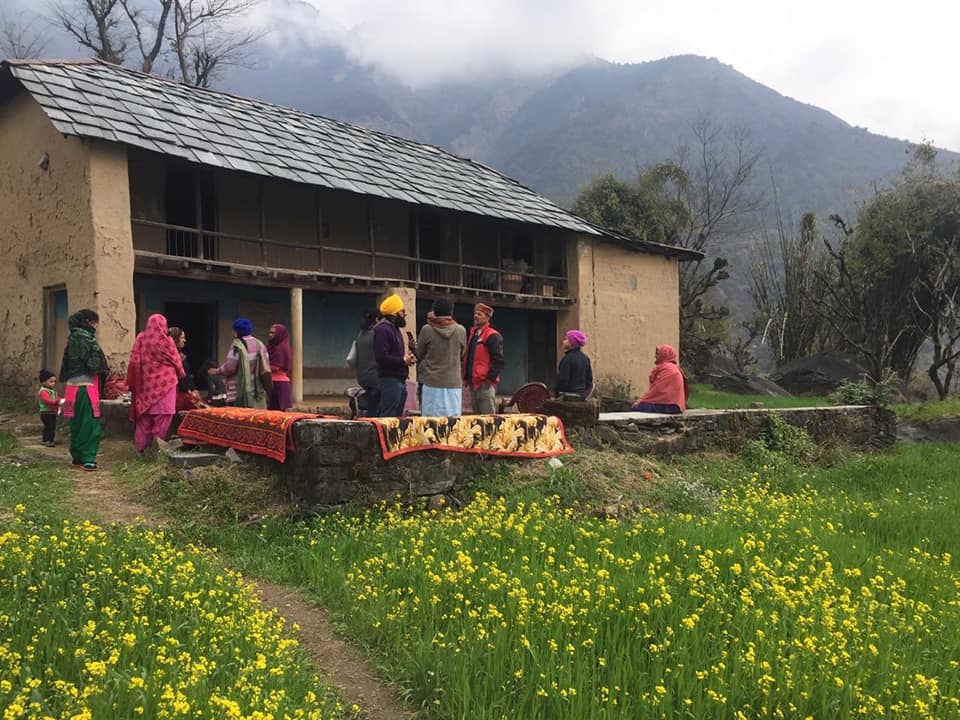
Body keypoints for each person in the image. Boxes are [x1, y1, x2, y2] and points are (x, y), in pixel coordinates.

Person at [127, 314, 185, 452]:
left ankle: (141, 449)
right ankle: (157, 449)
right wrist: (181, 373)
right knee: (164, 415)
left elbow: (134, 362)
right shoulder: (166, 341)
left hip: (145, 385)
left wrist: (134, 382)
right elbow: (176, 361)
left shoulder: (140, 338)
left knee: (144, 419)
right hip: (165, 384)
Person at [60, 309, 108, 470]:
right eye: (95, 322)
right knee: (90, 424)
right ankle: (89, 458)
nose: (95, 326)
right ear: (88, 322)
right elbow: (94, 364)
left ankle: (77, 456)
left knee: (76, 422)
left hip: (71, 389)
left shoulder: (71, 338)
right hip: (86, 388)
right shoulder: (87, 339)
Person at [415, 298, 466, 417]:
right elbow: (462, 355)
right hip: (453, 384)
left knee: (430, 422)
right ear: (451, 313)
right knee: (453, 423)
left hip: (432, 384)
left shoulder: (427, 329)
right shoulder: (461, 330)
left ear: (435, 311)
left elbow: (419, 354)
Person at [208, 318, 270, 408]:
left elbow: (230, 368)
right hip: (257, 391)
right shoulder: (259, 344)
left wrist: (218, 371)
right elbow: (265, 362)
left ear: (236, 331)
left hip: (238, 392)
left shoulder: (237, 346)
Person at [373, 294, 415, 417]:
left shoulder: (395, 329)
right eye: (402, 311)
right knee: (388, 418)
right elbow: (382, 357)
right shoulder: (382, 330)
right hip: (390, 381)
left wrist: (408, 357)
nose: (405, 314)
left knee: (396, 419)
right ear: (394, 313)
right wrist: (403, 360)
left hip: (400, 381)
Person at [462, 303, 504, 414]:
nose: (476, 316)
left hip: (484, 383)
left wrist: (489, 380)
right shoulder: (473, 334)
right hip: (473, 382)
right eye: (475, 313)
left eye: (479, 314)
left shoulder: (492, 335)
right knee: (477, 417)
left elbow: (498, 360)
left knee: (488, 417)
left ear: (487, 317)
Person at [632, 344, 688, 414]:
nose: (655, 356)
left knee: (637, 407)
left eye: (658, 354)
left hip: (669, 406)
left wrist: (641, 400)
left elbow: (656, 389)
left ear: (664, 355)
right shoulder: (673, 367)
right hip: (677, 406)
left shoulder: (666, 368)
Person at [348, 310, 380, 416]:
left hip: (362, 377)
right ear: (376, 320)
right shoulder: (375, 335)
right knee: (375, 407)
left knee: (372, 402)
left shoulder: (361, 334)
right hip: (374, 377)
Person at [168, 327, 205, 412]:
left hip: (186, 391)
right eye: (182, 338)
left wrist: (194, 389)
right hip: (177, 394)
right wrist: (189, 392)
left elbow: (186, 375)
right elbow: (177, 377)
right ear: (175, 339)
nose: (184, 340)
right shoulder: (170, 357)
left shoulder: (181, 356)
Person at [555, 330, 593, 400]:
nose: (563, 341)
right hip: (581, 396)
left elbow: (563, 380)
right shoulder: (585, 358)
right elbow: (589, 381)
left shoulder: (567, 359)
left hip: (569, 396)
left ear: (572, 343)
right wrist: (583, 395)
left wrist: (557, 395)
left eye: (566, 339)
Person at [266, 323, 293, 411]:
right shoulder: (273, 346)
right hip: (273, 382)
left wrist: (261, 366)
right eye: (270, 332)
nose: (270, 335)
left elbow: (276, 366)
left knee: (276, 414)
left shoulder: (281, 348)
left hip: (278, 384)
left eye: (273, 333)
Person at [37, 369, 61, 447]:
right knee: (49, 426)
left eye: (54, 381)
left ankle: (50, 439)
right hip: (46, 412)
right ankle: (47, 440)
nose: (53, 383)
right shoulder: (44, 391)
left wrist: (59, 400)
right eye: (51, 381)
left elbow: (56, 397)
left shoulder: (52, 390)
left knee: (52, 426)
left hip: (51, 412)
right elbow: (47, 400)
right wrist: (55, 402)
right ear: (44, 382)